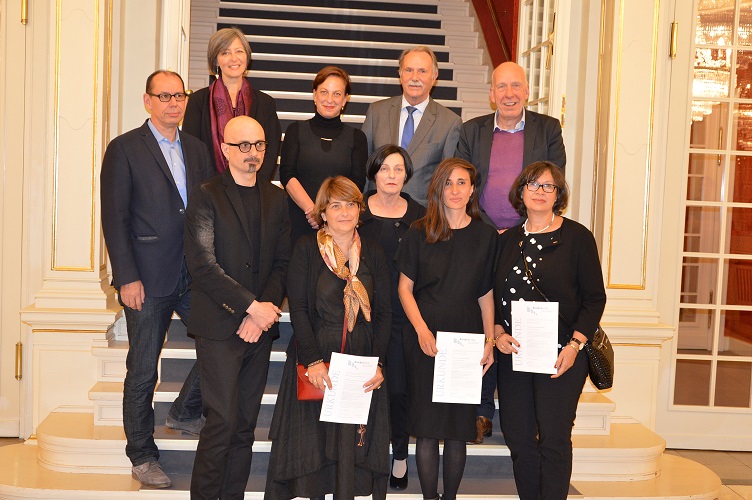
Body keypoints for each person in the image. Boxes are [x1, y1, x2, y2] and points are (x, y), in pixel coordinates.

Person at [100, 70, 214, 488]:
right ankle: (142, 455)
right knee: (144, 369)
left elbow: (206, 210)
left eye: (179, 95)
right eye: (164, 96)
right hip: (145, 278)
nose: (173, 103)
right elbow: (114, 218)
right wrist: (126, 277)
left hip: (194, 272)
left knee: (223, 340)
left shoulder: (197, 149)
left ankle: (184, 411)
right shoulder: (125, 148)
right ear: (147, 101)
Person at [456, 61, 566, 444]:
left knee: (520, 318)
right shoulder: (471, 131)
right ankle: (481, 410)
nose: (508, 94)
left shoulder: (548, 129)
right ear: (491, 93)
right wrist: (490, 228)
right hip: (482, 235)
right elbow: (461, 182)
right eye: (501, 87)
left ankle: (529, 412)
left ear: (527, 91)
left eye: (515, 86)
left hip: (529, 236)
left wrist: (520, 225)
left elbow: (553, 181)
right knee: (483, 317)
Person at [265, 176, 391, 500]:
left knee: (351, 446)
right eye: (336, 206)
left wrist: (378, 364)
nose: (344, 212)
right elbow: (299, 309)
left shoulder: (375, 252)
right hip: (317, 355)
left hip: (360, 361)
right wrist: (313, 361)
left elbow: (385, 313)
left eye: (350, 204)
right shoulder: (306, 249)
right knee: (315, 446)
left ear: (359, 210)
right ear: (323, 213)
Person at [186, 115, 290, 499]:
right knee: (221, 422)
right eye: (244, 146)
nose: (253, 153)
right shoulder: (206, 195)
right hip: (219, 326)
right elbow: (203, 265)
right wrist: (250, 308)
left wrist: (260, 315)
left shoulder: (277, 198)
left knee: (245, 425)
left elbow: (282, 264)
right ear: (225, 149)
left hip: (257, 330)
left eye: (259, 145)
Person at [494, 161, 606, 500]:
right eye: (533, 184)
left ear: (558, 194)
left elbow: (594, 298)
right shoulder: (507, 240)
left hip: (562, 354)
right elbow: (494, 297)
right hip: (514, 353)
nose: (540, 192)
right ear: (521, 191)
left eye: (548, 186)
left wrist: (575, 345)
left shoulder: (577, 238)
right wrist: (497, 333)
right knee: (518, 437)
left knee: (555, 438)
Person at [396, 158, 498, 500]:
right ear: (438, 189)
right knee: (426, 429)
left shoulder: (486, 235)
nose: (455, 190)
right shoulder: (419, 231)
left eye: (462, 183)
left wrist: (489, 341)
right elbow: (404, 289)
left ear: (472, 190)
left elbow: (486, 294)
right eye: (448, 183)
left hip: (466, 337)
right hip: (425, 335)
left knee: (458, 429)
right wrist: (422, 331)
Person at [358, 144, 425, 490]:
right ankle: (359, 457)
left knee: (398, 391)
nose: (391, 175)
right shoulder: (355, 210)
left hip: (402, 317)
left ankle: (399, 455)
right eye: (384, 168)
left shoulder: (421, 216)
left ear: (407, 175)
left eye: (398, 169)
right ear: (373, 173)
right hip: (360, 314)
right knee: (360, 388)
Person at [361, 46, 461, 207]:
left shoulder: (450, 122)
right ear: (400, 74)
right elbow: (365, 166)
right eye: (409, 70)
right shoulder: (376, 112)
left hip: (422, 214)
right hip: (376, 209)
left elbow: (447, 179)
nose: (415, 77)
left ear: (434, 76)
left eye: (422, 71)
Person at [279, 66, 367, 245]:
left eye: (337, 94)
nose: (329, 99)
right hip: (299, 221)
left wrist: (330, 214)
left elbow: (357, 183)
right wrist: (313, 212)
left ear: (345, 99)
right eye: (324, 92)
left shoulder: (357, 138)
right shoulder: (295, 131)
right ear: (314, 94)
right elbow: (287, 175)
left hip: (339, 224)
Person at [182, 27, 281, 182]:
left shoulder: (265, 103)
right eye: (225, 53)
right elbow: (192, 151)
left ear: (247, 56)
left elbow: (271, 150)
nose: (234, 58)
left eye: (239, 51)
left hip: (255, 188)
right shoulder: (197, 101)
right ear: (216, 60)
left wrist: (253, 184)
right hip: (210, 188)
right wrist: (215, 188)